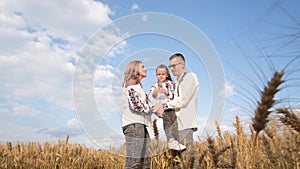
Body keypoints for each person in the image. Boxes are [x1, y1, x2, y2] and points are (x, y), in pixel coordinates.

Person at [121, 60, 163, 169]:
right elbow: (136, 105)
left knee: (145, 162)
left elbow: (146, 101)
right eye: (142, 67)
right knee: (133, 163)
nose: (145, 69)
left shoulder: (138, 87)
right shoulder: (131, 87)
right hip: (134, 125)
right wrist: (154, 109)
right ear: (136, 71)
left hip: (140, 125)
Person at [166, 53, 199, 151]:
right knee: (177, 163)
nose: (171, 68)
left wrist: (164, 105)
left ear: (182, 64)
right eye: (170, 66)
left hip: (185, 125)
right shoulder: (175, 84)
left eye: (174, 66)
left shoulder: (190, 77)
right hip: (175, 127)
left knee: (188, 160)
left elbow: (183, 101)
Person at [149, 64, 186, 151]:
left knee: (172, 122)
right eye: (159, 74)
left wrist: (166, 93)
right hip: (160, 108)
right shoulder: (154, 85)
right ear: (156, 75)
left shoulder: (170, 84)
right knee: (167, 122)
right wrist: (155, 93)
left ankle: (175, 140)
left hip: (168, 106)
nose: (161, 76)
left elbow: (173, 95)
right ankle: (170, 140)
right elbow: (150, 96)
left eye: (163, 74)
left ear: (167, 75)